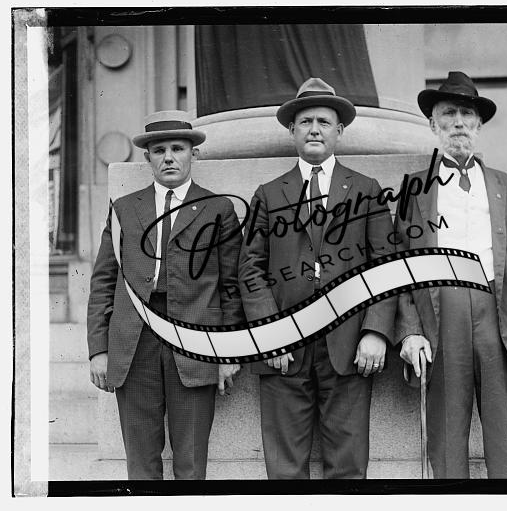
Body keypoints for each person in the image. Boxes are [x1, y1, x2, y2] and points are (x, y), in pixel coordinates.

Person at [238, 78, 396, 479]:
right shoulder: (268, 194)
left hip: (349, 346)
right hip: (285, 348)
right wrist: (271, 332)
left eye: (323, 122)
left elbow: (386, 267)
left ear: (339, 131)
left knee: (348, 466)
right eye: (305, 122)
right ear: (291, 130)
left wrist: (376, 331)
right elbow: (250, 268)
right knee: (285, 469)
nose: (314, 129)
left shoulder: (366, 190)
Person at [395, 71, 507, 478]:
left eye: (467, 114)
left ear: (479, 124)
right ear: (433, 125)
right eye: (449, 114)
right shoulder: (415, 188)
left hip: (497, 311)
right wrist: (410, 332)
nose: (458, 123)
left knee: (504, 439)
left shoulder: (502, 185)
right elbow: (400, 269)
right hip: (441, 313)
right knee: (446, 440)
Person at [86, 110, 244, 480]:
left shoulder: (218, 208)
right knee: (140, 462)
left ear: (194, 154)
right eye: (159, 150)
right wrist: (98, 349)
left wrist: (228, 352)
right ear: (148, 158)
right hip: (134, 340)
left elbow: (232, 286)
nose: (169, 157)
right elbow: (103, 281)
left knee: (191, 460)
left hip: (195, 341)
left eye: (178, 149)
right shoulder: (125, 209)